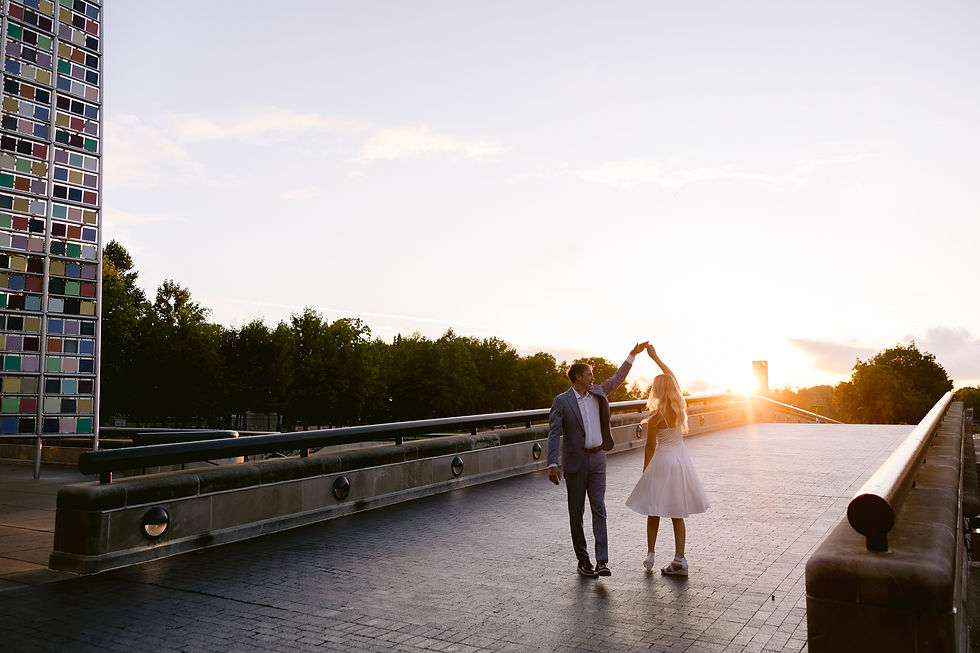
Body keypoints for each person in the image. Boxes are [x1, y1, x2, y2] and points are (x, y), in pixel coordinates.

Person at [548, 341, 648, 578]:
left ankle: (602, 560)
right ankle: (583, 561)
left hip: (598, 459)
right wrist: (552, 463)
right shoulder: (562, 401)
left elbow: (618, 378)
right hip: (576, 462)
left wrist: (632, 354)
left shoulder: (598, 393)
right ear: (577, 377)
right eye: (590, 374)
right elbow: (553, 432)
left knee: (599, 509)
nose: (593, 378)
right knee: (576, 512)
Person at [625, 344, 709, 575]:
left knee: (653, 509)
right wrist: (656, 358)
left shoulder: (655, 417)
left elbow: (650, 446)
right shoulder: (679, 407)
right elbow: (672, 377)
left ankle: (650, 553)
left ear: (657, 391)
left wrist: (646, 473)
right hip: (680, 463)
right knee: (676, 512)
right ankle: (680, 559)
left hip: (662, 462)